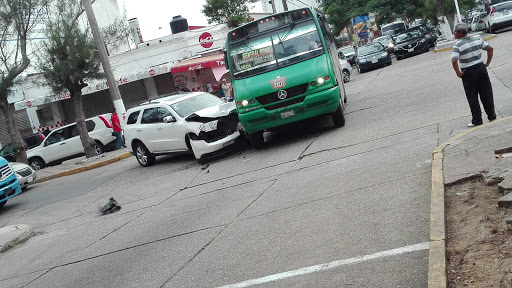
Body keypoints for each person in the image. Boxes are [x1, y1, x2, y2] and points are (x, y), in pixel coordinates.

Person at [451, 23, 496, 127]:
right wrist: (487, 63)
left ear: (461, 33)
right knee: (486, 93)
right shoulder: (477, 39)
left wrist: (459, 73)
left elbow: (454, 61)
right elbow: (490, 49)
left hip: (468, 72)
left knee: (472, 96)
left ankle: (477, 120)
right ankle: (491, 115)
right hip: (481, 68)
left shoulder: (457, 45)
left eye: (455, 31)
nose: (454, 33)